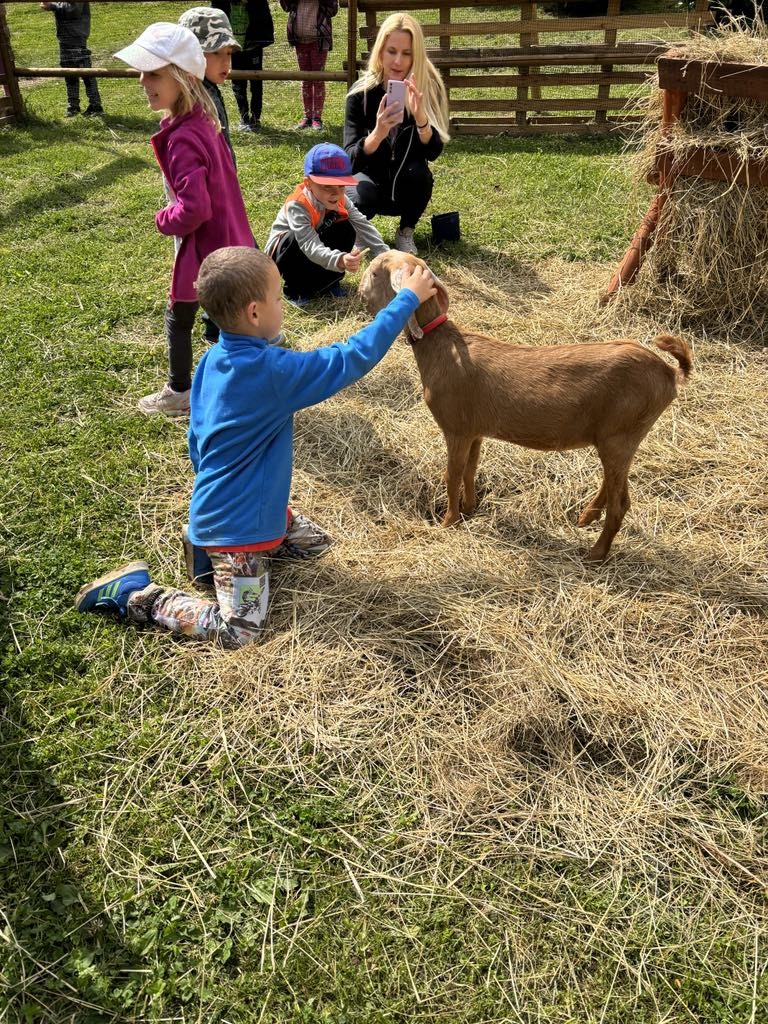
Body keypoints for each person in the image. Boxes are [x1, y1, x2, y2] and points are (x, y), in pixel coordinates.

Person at [74, 246, 437, 648]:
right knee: (241, 631)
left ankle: (210, 541)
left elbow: (197, 436)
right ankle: (138, 595)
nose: (282, 305)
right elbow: (351, 357)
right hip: (236, 531)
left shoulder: (213, 358)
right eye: (278, 298)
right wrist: (406, 300)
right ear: (253, 313)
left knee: (318, 547)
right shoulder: (274, 373)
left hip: (250, 508)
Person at [114, 22, 254, 416]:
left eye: (154, 73)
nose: (143, 81)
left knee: (179, 315)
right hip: (231, 239)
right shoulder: (203, 120)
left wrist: (164, 219)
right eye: (142, 72)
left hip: (207, 248)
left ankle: (179, 392)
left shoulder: (182, 137)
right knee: (233, 319)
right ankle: (249, 381)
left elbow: (195, 209)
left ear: (183, 77)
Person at [343, 12, 450, 255]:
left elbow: (433, 152)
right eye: (391, 51)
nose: (398, 61)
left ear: (416, 56)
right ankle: (362, 231)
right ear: (380, 51)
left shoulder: (427, 90)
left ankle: (405, 231)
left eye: (407, 53)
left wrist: (421, 119)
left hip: (406, 183)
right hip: (370, 183)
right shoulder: (360, 95)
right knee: (360, 194)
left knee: (420, 176)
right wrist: (377, 134)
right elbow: (348, 160)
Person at [265, 142, 389, 305]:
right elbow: (309, 244)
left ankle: (329, 283)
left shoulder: (341, 198)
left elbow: (361, 223)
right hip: (289, 250)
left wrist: (385, 253)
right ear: (308, 183)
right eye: (327, 186)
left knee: (347, 228)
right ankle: (296, 289)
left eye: (341, 186)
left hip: (316, 240)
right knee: (294, 239)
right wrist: (339, 259)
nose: (335, 193)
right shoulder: (298, 205)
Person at [178, 6, 238, 163]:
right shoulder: (197, 101)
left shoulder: (207, 89)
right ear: (191, 53)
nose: (226, 62)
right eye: (216, 52)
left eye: (229, 53)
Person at [213, 0, 274, 132]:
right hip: (234, 46)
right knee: (238, 83)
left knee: (256, 81)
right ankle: (244, 116)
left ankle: (256, 117)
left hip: (253, 43)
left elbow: (263, 13)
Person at [280, 0, 338, 131]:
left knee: (318, 78)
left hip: (319, 40)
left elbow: (333, 9)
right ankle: (307, 116)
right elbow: (286, 6)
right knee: (305, 78)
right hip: (299, 40)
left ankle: (317, 117)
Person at [40, 1, 103, 117]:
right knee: (69, 74)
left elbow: (74, 10)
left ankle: (95, 105)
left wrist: (53, 6)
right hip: (65, 38)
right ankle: (73, 106)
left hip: (76, 36)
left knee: (86, 73)